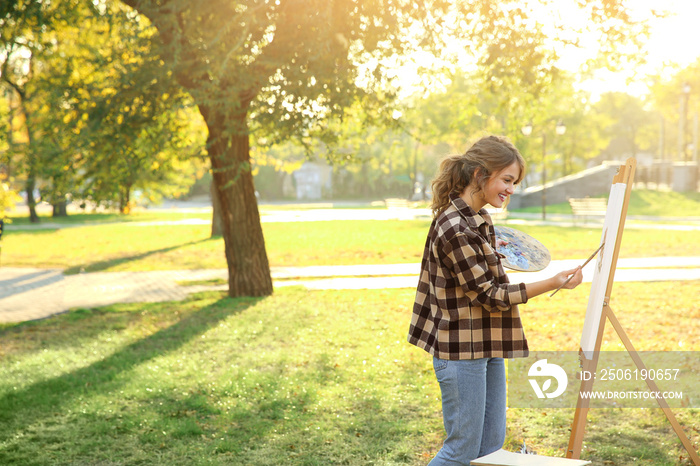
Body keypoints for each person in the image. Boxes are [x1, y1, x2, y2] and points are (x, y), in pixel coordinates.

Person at [407, 135, 583, 465]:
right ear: (479, 175)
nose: (511, 188)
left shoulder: (481, 220)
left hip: (486, 344)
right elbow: (489, 295)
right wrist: (552, 282)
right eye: (506, 179)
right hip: (460, 352)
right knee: (461, 450)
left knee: (489, 448)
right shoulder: (454, 227)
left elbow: (488, 282)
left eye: (514, 182)